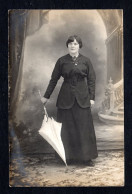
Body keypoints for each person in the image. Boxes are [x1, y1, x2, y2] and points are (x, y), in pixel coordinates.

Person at [41, 35, 98, 166]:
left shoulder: (86, 61)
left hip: (83, 98)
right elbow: (53, 80)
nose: (73, 46)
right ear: (67, 46)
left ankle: (86, 158)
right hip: (65, 99)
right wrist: (46, 96)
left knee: (83, 128)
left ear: (80, 46)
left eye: (76, 44)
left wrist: (92, 97)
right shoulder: (61, 61)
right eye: (70, 43)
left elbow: (91, 80)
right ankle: (67, 157)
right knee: (67, 129)